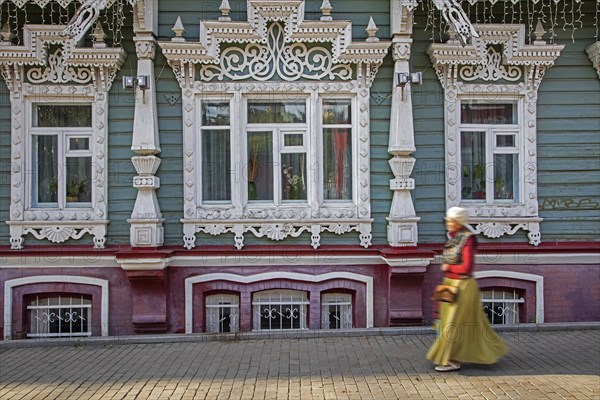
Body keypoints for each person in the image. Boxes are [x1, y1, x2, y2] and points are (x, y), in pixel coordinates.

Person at [426, 206, 508, 372]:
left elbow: (467, 267)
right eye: (447, 220)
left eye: (450, 220)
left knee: (453, 324)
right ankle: (488, 350)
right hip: (450, 285)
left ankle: (449, 360)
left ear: (458, 222)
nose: (447, 223)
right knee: (452, 323)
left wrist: (448, 266)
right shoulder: (454, 237)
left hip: (462, 286)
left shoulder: (467, 239)